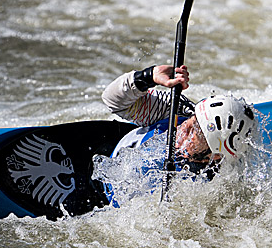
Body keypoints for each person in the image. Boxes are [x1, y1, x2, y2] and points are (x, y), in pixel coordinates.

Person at [101, 64, 259, 173]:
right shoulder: (177, 113)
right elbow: (112, 101)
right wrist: (149, 76)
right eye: (192, 124)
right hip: (104, 151)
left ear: (213, 157)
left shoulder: (212, 185)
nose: (182, 131)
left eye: (193, 134)